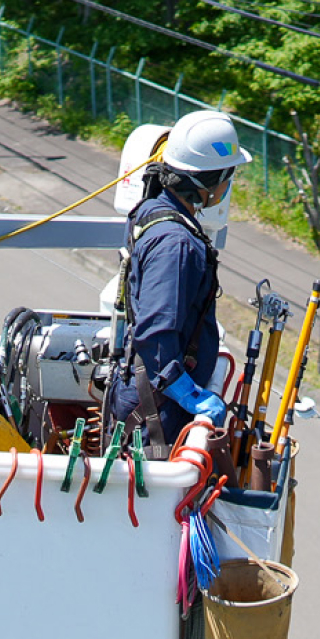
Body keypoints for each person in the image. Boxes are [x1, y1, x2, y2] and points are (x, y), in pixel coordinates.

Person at [104, 109, 251, 451]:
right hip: (157, 410)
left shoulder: (153, 209)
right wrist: (189, 395)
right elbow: (157, 334)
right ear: (208, 181)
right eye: (228, 176)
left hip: (149, 394)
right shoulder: (176, 244)